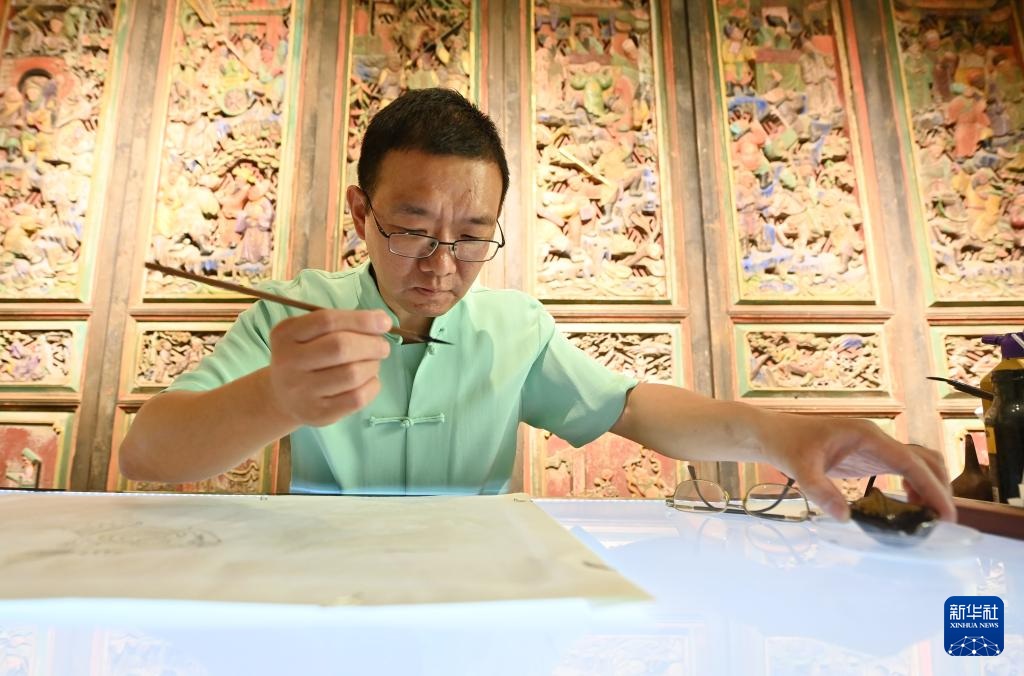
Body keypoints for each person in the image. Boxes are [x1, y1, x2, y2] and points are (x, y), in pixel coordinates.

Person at [120, 89, 955, 522]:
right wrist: (273, 396)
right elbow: (147, 454)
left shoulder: (512, 327)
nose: (441, 265)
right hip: (322, 594)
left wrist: (775, 433)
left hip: (478, 590)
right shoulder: (297, 312)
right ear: (360, 213)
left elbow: (634, 408)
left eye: (471, 236)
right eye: (411, 229)